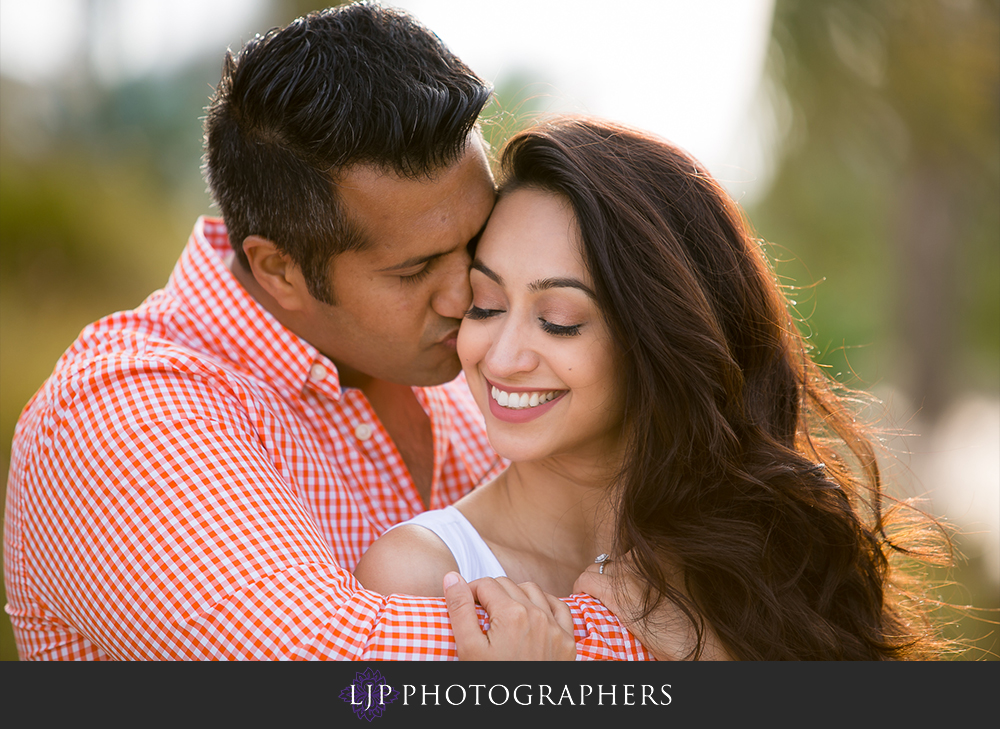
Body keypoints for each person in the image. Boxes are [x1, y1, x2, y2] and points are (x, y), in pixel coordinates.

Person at [3, 3, 650, 661]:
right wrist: (679, 628)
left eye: (475, 238)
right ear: (279, 269)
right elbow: (340, 667)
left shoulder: (470, 373)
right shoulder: (120, 416)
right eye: (417, 269)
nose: (469, 295)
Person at [354, 115, 951, 660]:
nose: (503, 358)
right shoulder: (428, 578)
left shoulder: (759, 549)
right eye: (485, 306)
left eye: (559, 320)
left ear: (655, 342)